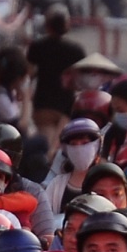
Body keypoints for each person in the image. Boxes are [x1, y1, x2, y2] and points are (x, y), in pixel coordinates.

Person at [25, 8, 86, 148]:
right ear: (66, 25)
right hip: (68, 105)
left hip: (43, 103)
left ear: (47, 25)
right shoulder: (76, 50)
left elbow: (29, 72)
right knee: (62, 145)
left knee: (47, 145)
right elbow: (81, 79)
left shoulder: (37, 46)